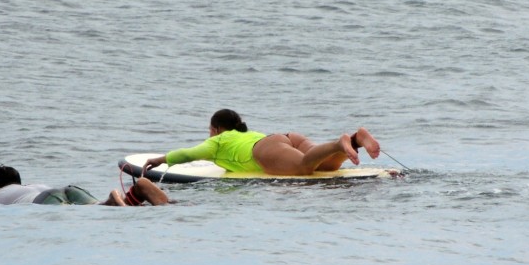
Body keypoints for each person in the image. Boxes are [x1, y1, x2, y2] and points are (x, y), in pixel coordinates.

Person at [142, 108, 381, 177]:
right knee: (326, 166)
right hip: (286, 138)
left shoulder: (219, 141)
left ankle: (341, 143)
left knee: (303, 168)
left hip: (265, 150)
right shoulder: (246, 133)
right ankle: (355, 140)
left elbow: (188, 154)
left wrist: (160, 160)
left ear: (215, 129)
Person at [0, 165, 169, 206]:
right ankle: (135, 191)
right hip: (69, 189)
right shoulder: (31, 185)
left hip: (44, 199)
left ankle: (116, 201)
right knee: (97, 206)